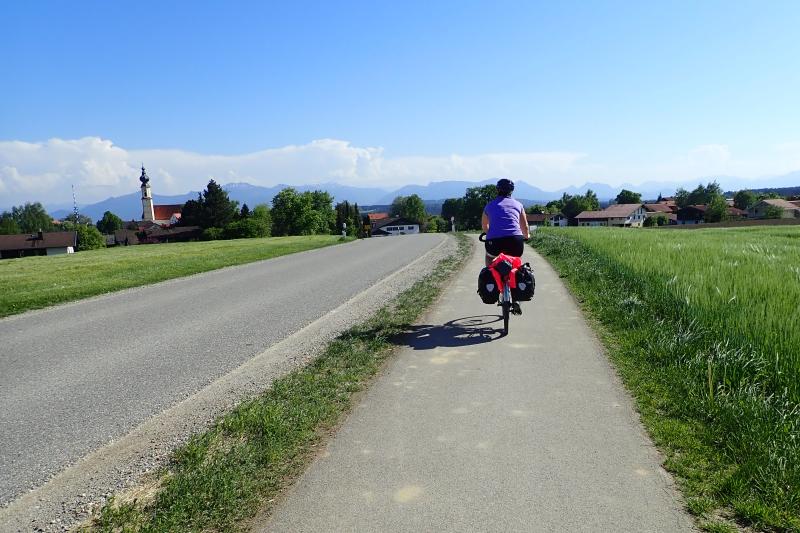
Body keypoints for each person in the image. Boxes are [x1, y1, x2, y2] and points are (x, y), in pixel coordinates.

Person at [482, 178, 529, 267]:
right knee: (516, 260)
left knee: (489, 257)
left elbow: (484, 226)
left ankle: (490, 275)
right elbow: (525, 227)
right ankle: (517, 277)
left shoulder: (489, 206)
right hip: (515, 241)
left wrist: (491, 233)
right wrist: (527, 236)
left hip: (494, 242)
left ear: (497, 189)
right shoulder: (519, 205)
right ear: (512, 190)